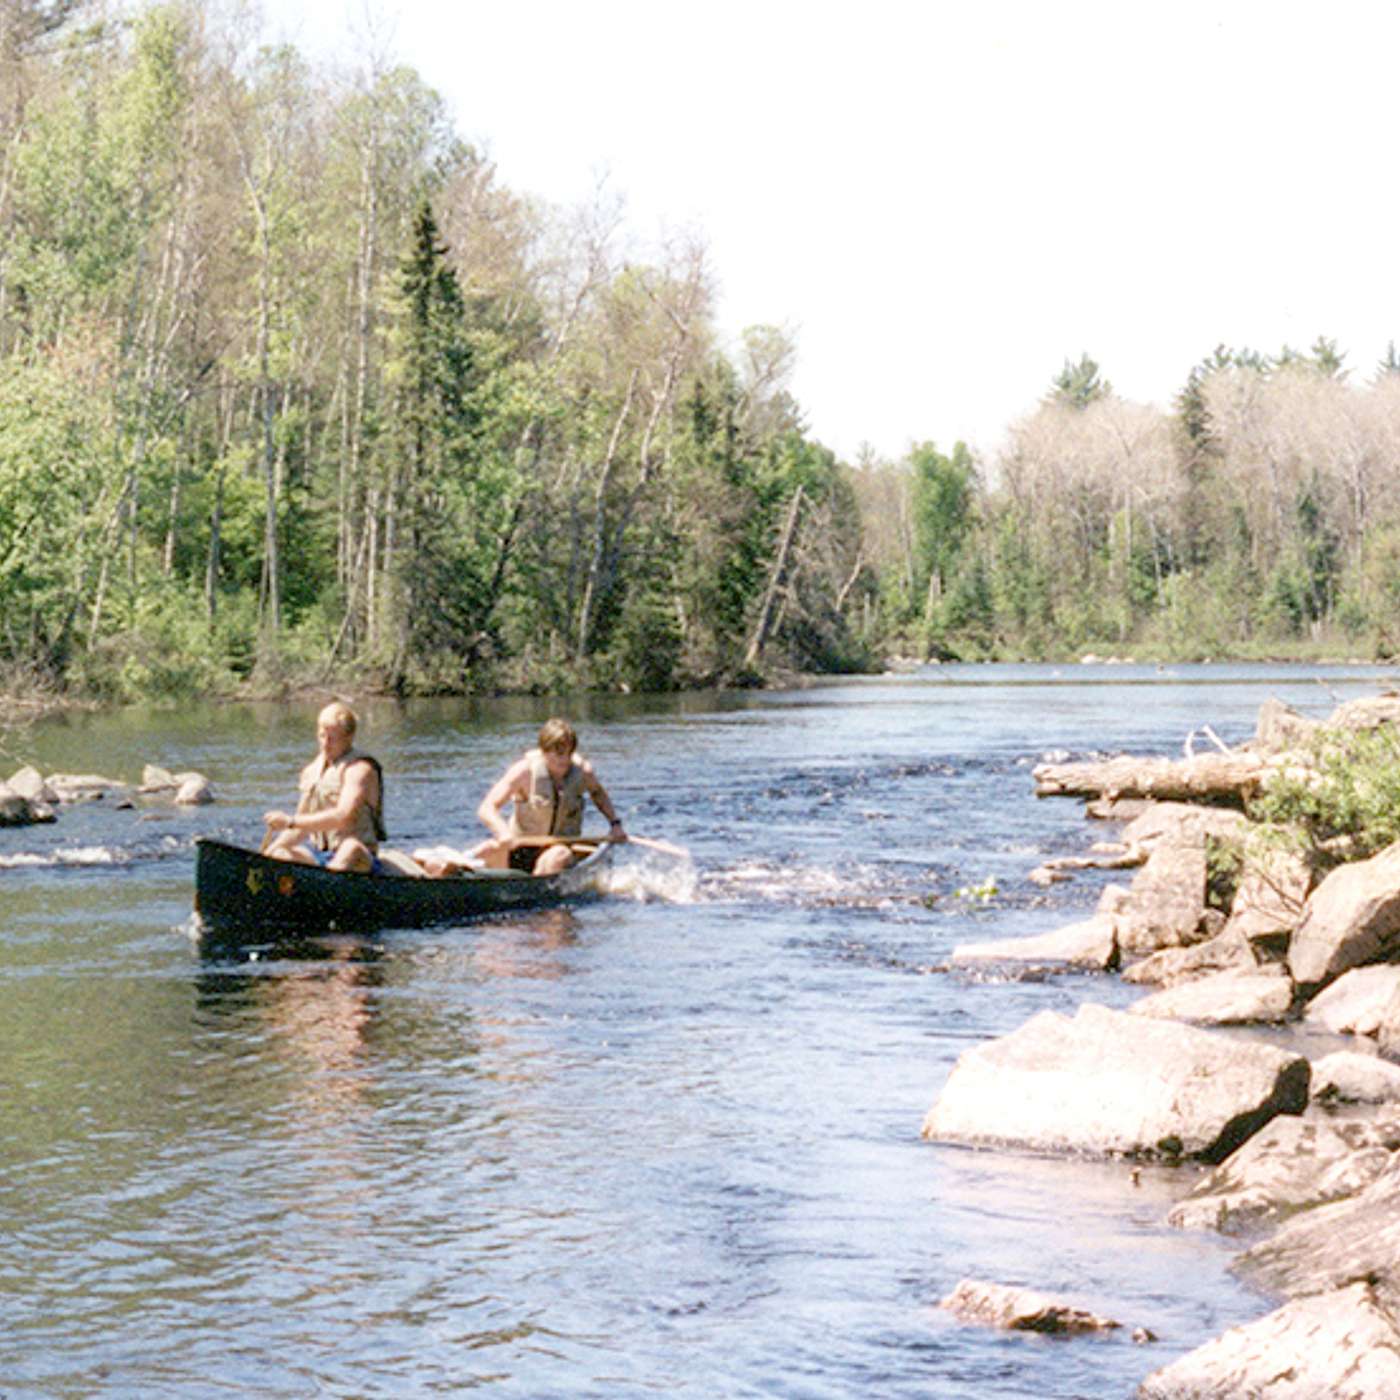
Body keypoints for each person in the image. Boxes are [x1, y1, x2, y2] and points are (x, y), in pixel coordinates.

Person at [426, 718, 625, 878]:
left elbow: (598, 794)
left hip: (561, 848)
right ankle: (445, 872)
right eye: (559, 753)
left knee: (557, 856)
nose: (565, 760)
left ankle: (535, 897)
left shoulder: (582, 772)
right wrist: (503, 833)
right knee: (489, 848)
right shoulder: (524, 772)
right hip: (522, 847)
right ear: (544, 751)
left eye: (569, 753)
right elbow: (487, 808)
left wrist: (615, 824)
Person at [263, 701, 386, 873]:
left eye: (332, 738)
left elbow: (344, 816)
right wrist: (268, 854)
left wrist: (290, 821)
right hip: (320, 855)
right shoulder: (311, 771)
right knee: (280, 854)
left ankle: (328, 888)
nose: (325, 744)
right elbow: (299, 828)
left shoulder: (360, 770)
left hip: (360, 857)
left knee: (350, 847)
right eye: (322, 736)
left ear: (348, 737)